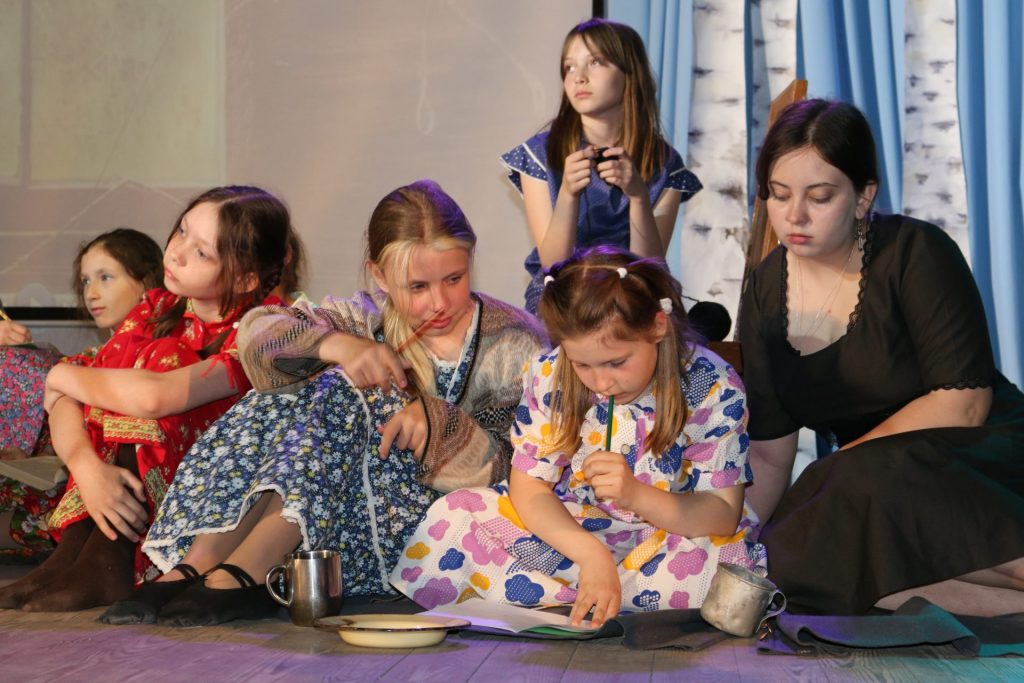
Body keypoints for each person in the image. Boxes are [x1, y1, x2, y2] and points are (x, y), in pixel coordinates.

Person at [100, 179, 548, 627]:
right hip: (336, 515)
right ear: (379, 276)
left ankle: (251, 570)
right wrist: (336, 345)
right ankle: (200, 564)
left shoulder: (512, 341)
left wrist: (438, 422)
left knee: (342, 388)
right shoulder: (363, 316)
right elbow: (256, 333)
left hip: (430, 536)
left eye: (454, 279)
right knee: (286, 392)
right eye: (417, 286)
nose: (439, 302)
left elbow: (522, 470)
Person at [740, 99, 1024, 616]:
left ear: (863, 196)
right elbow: (769, 455)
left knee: (855, 490)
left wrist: (838, 469)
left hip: (978, 458)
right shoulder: (764, 289)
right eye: (778, 195)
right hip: (866, 484)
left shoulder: (917, 251)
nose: (794, 215)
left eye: (820, 197)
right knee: (787, 559)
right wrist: (734, 541)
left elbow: (964, 406)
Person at [391, 246, 763, 626]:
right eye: (582, 364)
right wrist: (591, 555)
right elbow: (530, 489)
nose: (601, 382)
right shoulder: (550, 375)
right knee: (458, 513)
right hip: (576, 534)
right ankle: (598, 595)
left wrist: (636, 495)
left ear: (657, 326)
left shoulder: (711, 386)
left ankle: (563, 600)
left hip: (669, 541)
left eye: (617, 362)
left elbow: (721, 514)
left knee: (719, 563)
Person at [0, 186, 292, 612]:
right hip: (117, 479)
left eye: (201, 252)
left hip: (206, 496)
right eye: (182, 231)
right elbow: (67, 399)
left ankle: (110, 558)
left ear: (245, 278)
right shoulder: (156, 307)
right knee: (108, 379)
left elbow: (155, 398)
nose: (176, 253)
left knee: (151, 365)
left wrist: (54, 373)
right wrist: (87, 468)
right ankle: (74, 556)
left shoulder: (262, 331)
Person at [500, 18, 702, 315]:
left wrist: (638, 197)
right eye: (569, 67)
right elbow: (553, 266)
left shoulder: (664, 162)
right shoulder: (540, 154)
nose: (578, 78)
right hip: (564, 301)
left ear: (629, 73)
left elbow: (651, 269)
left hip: (633, 300)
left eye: (595, 62)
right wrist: (567, 194)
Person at [0, 228, 163, 556]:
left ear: (146, 282)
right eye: (86, 281)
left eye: (105, 277)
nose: (91, 293)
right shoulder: (87, 360)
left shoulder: (164, 352)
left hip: (126, 492)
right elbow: (62, 406)